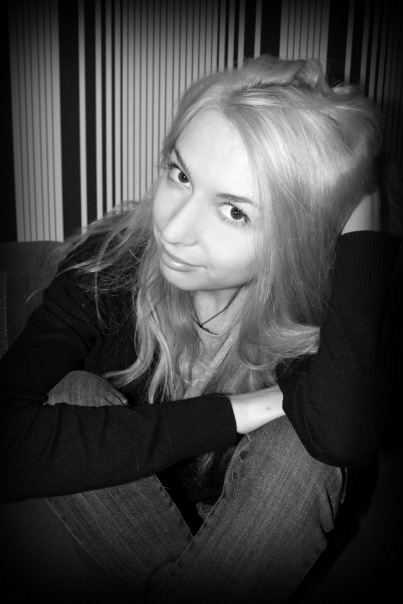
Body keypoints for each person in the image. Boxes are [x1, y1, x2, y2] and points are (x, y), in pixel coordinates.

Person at [0, 55, 401, 602]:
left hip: (266, 528)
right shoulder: (110, 267)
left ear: (300, 234)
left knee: (301, 451)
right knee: (73, 393)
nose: (174, 228)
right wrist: (239, 411)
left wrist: (366, 208)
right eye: (181, 174)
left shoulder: (319, 317)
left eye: (235, 211)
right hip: (134, 516)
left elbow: (340, 437)